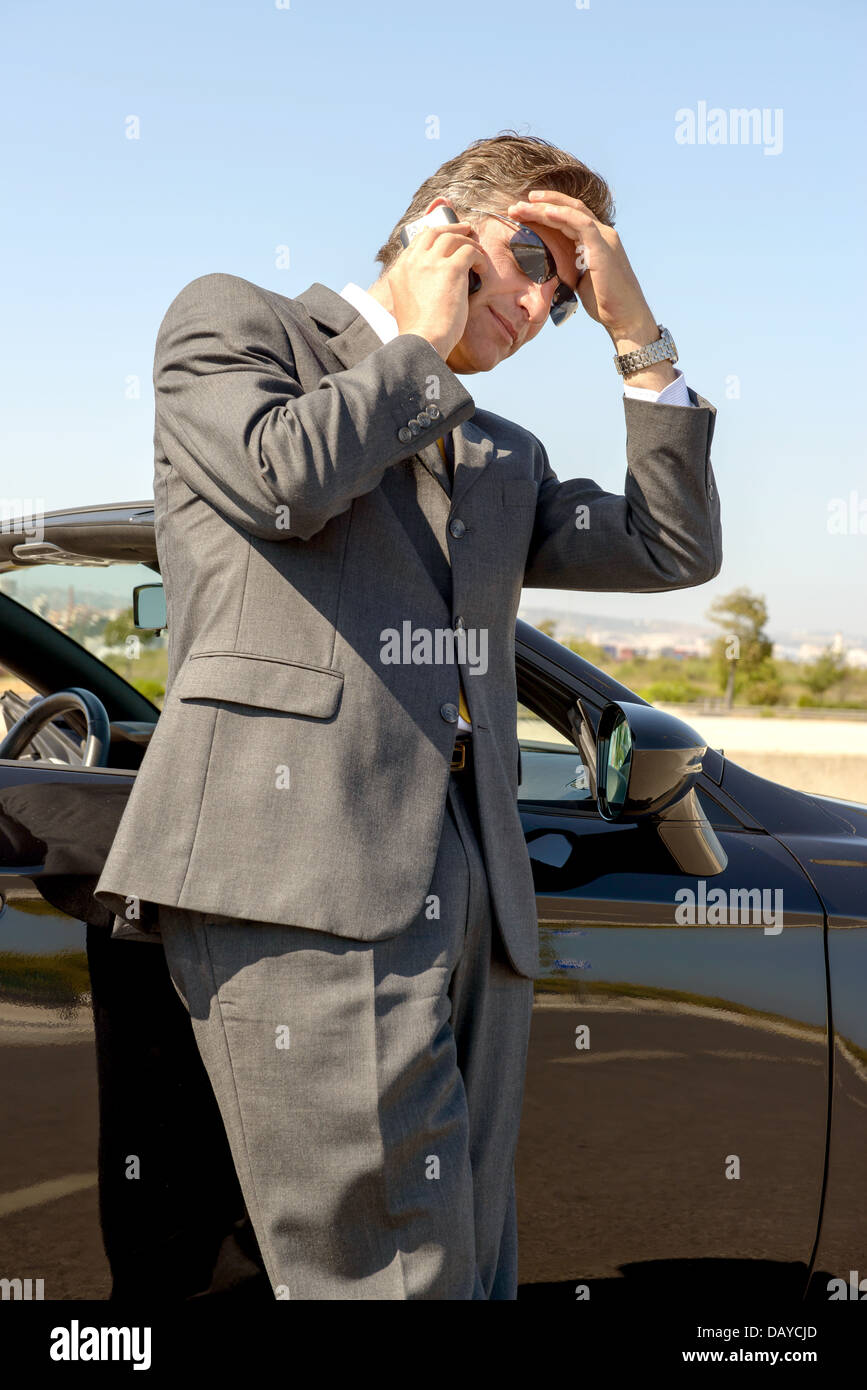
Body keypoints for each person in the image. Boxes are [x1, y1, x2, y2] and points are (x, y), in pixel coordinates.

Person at [94, 131, 722, 1300]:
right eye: (531, 258)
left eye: (566, 292)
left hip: (478, 891)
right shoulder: (237, 323)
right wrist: (423, 343)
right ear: (442, 222)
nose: (540, 304)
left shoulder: (500, 452)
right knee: (390, 1273)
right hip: (301, 868)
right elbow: (284, 478)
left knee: (472, 1262)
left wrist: (641, 336)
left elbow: (672, 544)